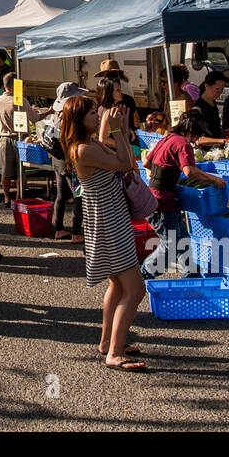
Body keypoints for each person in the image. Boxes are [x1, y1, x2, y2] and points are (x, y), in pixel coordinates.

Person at [59, 94, 146, 371]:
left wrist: (114, 129)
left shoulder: (91, 143)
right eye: (93, 114)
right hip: (108, 222)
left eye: (98, 113)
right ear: (79, 120)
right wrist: (119, 129)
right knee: (135, 289)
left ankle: (108, 342)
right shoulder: (83, 149)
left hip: (108, 219)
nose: (99, 117)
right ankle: (115, 352)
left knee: (118, 285)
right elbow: (125, 162)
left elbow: (125, 157)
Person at [144, 108, 226, 275]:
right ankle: (143, 272)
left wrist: (164, 171)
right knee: (171, 245)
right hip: (163, 201)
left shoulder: (168, 138)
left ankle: (191, 273)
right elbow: (189, 171)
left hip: (154, 197)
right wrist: (214, 179)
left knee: (182, 239)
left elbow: (146, 163)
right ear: (194, 131)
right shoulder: (183, 143)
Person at [45, 83, 87, 243]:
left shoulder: (56, 114)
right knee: (79, 196)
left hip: (57, 160)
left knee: (61, 195)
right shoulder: (68, 115)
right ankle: (76, 232)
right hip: (68, 160)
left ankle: (59, 229)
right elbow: (67, 140)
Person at [0, 71, 39, 204]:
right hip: (20, 138)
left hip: (4, 138)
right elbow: (35, 118)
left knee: (5, 171)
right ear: (15, 85)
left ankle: (7, 198)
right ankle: (19, 198)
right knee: (22, 171)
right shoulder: (20, 100)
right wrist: (48, 112)